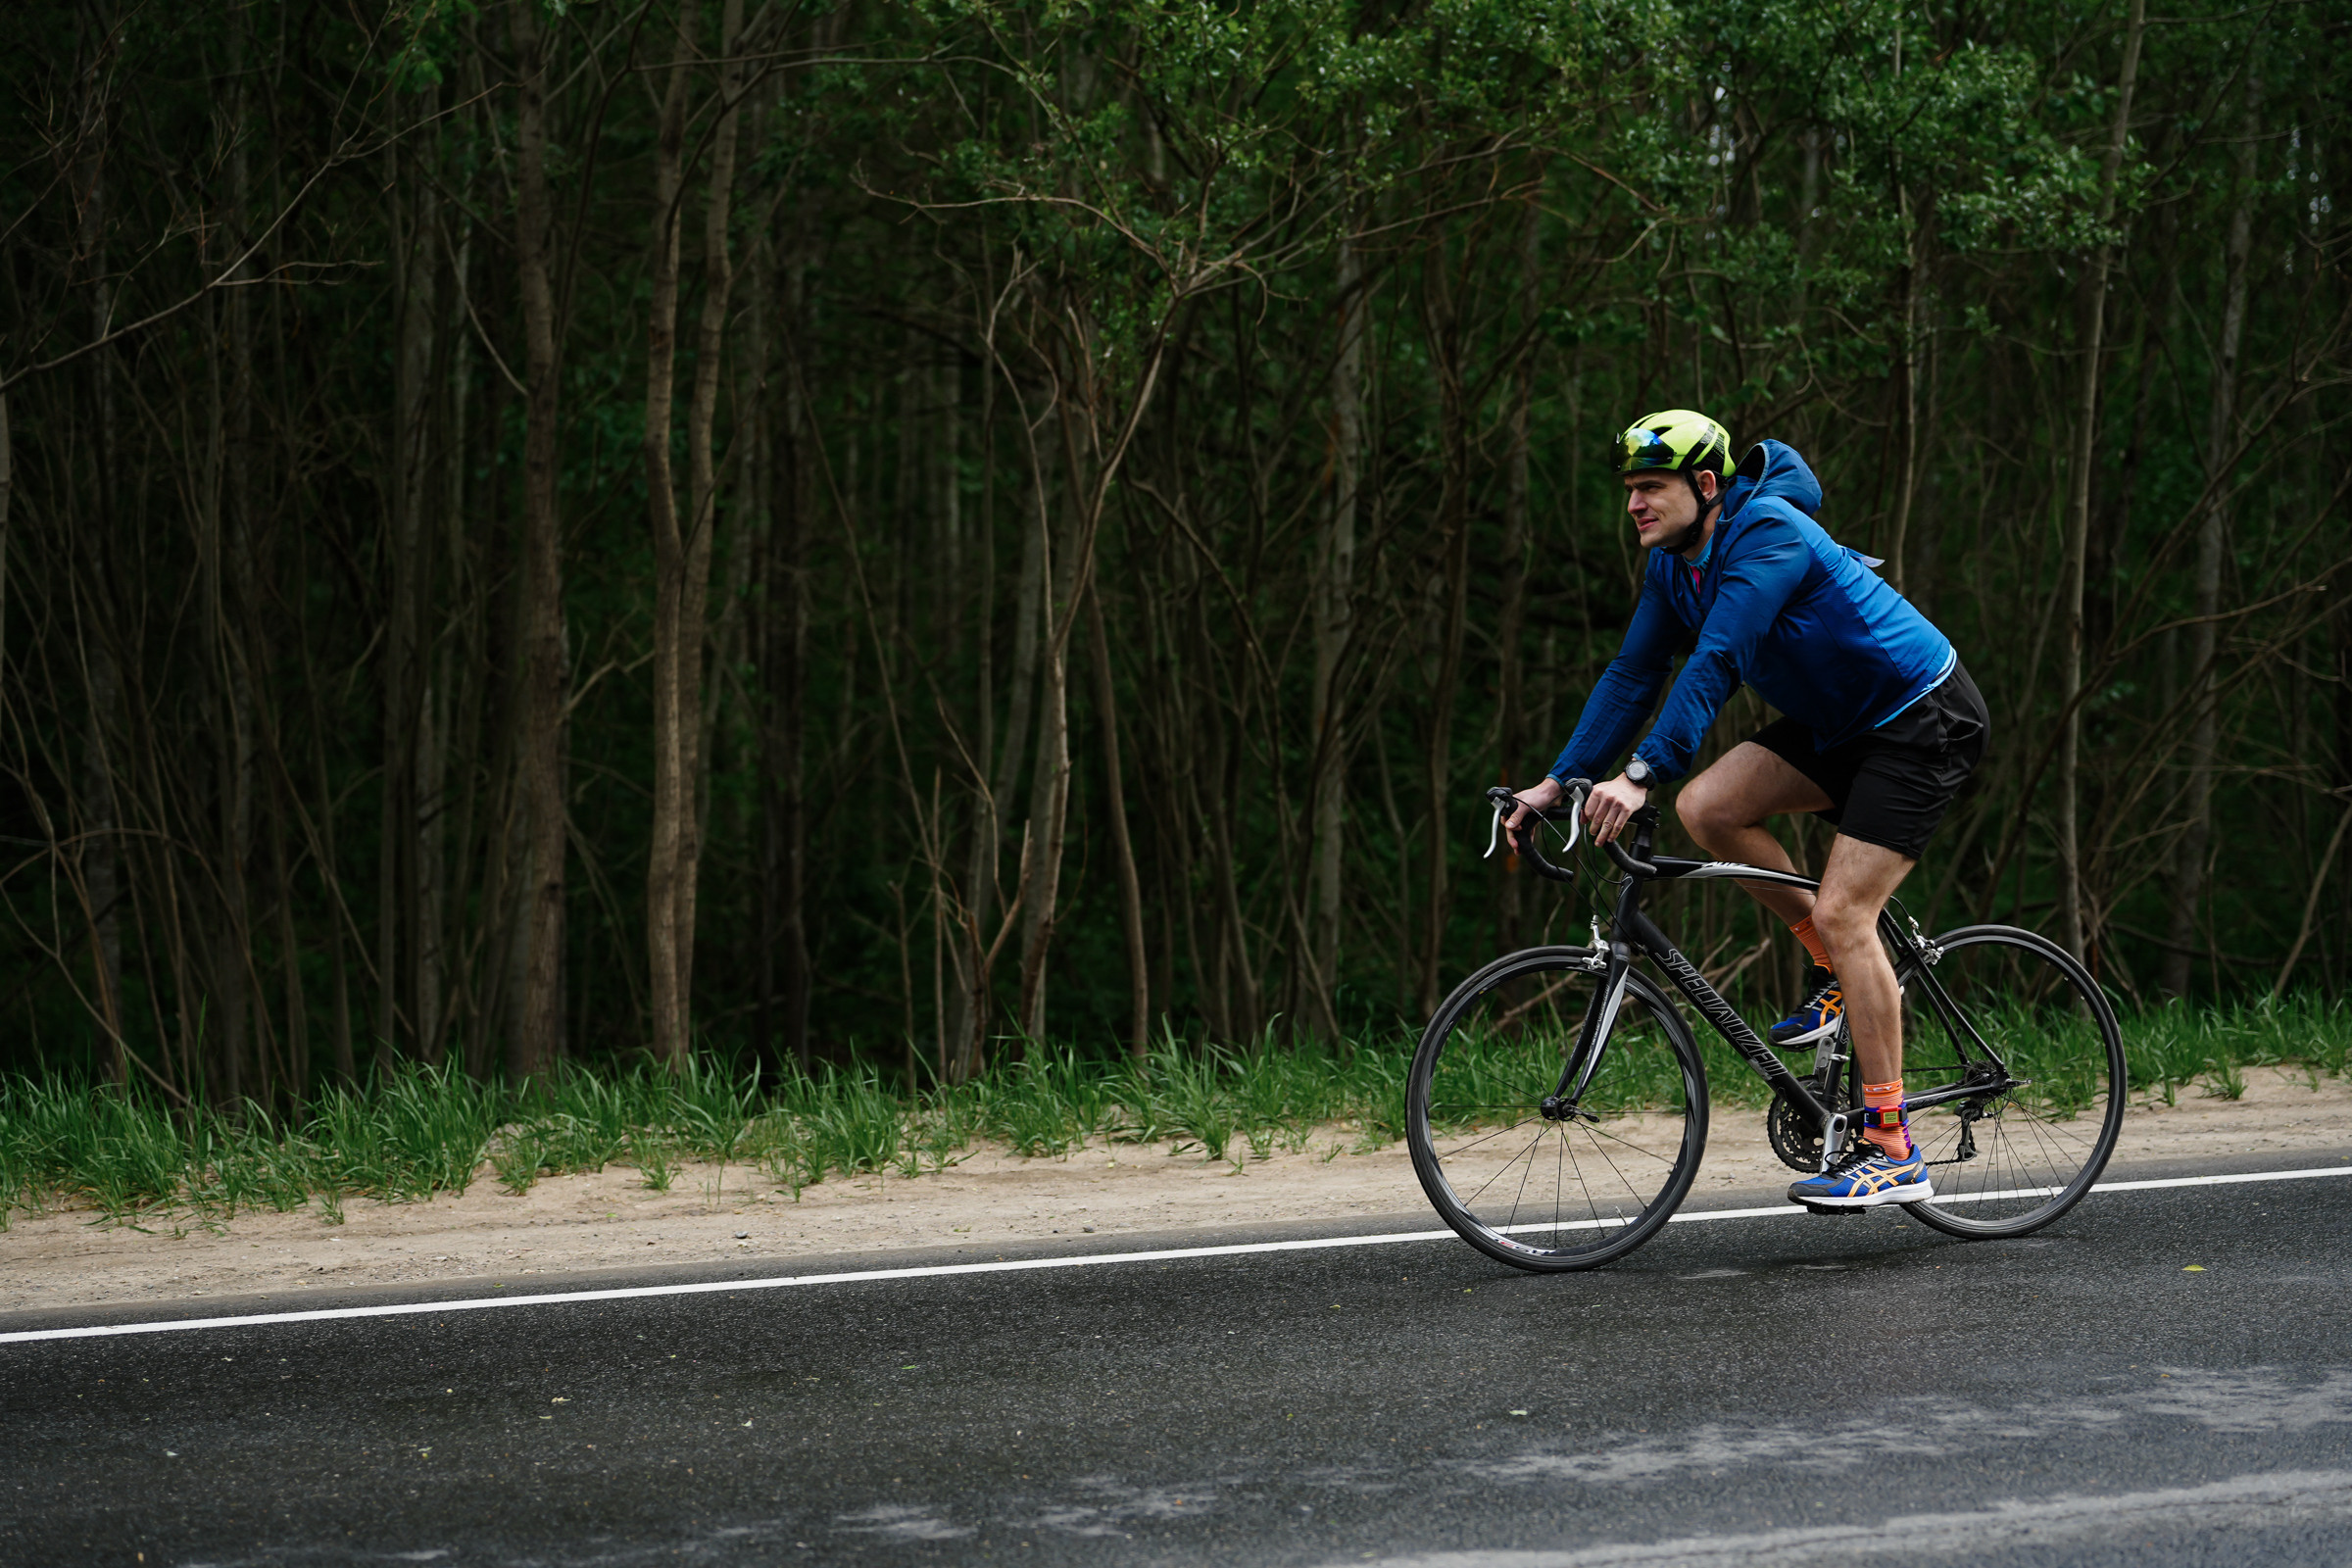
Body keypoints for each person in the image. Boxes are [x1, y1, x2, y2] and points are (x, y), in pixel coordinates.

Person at [1505, 410, 1988, 1208]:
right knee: (1712, 806)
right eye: (1629, 489)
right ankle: (1839, 971)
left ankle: (1894, 1147)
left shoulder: (1770, 533)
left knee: (1847, 911)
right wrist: (1558, 782)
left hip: (1920, 720)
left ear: (1705, 486)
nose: (1634, 504)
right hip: (1840, 723)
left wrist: (1640, 774)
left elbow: (1720, 658)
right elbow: (1632, 677)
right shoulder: (1674, 565)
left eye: (1650, 487)